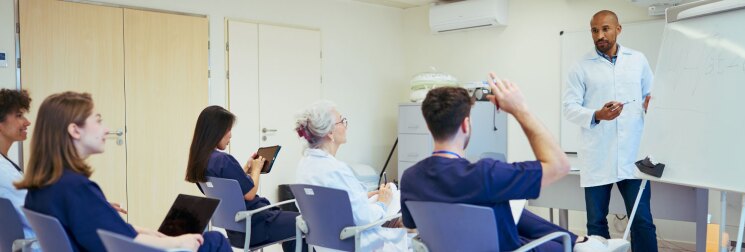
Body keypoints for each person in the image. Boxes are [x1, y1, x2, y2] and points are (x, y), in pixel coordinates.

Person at [400, 75, 630, 252]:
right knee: (556, 241)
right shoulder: (487, 173)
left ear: (429, 126)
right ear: (466, 125)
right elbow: (559, 165)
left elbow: (411, 225)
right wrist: (520, 110)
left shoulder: (410, 178)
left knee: (511, 210)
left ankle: (583, 241)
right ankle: (584, 243)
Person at [16, 91, 231, 252]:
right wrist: (177, 241)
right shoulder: (76, 188)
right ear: (74, 130)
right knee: (214, 241)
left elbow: (95, 228)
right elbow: (126, 243)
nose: (106, 129)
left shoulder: (44, 186)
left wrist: (143, 231)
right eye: (98, 121)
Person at [562, 10, 658, 252]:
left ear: (618, 29)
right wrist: (597, 114)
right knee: (596, 223)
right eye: (595, 30)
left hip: (633, 156)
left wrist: (651, 106)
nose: (600, 35)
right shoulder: (580, 67)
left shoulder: (638, 60)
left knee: (642, 221)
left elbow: (653, 97)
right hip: (598, 156)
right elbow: (569, 108)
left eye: (605, 29)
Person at [185, 105, 303, 252]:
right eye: (228, 130)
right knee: (303, 222)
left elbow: (231, 190)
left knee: (291, 226)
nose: (230, 135)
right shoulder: (223, 160)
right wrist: (256, 170)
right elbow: (250, 193)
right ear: (216, 131)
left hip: (236, 232)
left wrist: (245, 170)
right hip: (257, 224)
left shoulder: (201, 162)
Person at [294, 101, 407, 252]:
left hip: (324, 245)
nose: (345, 126)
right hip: (353, 243)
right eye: (342, 121)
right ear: (330, 133)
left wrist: (365, 196)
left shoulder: (305, 164)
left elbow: (326, 203)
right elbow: (364, 218)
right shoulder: (337, 169)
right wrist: (382, 202)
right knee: (399, 204)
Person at [0, 89, 35, 242]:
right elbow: (39, 215)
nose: (27, 122)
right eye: (19, 116)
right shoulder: (4, 172)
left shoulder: (5, 164)